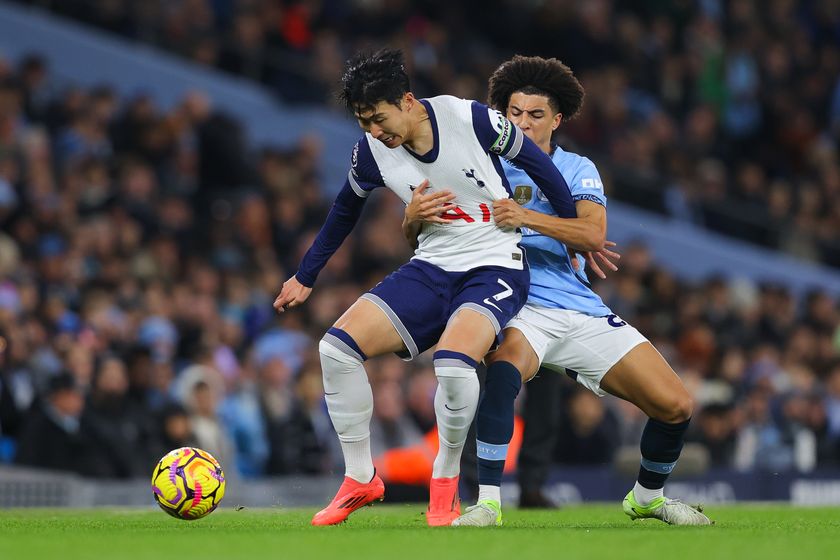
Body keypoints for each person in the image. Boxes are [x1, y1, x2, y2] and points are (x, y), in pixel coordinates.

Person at [273, 48, 577, 526]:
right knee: (335, 349)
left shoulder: (471, 119)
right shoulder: (370, 150)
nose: (374, 132)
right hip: (432, 265)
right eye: (363, 122)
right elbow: (343, 212)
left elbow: (539, 164)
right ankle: (359, 478)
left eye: (378, 118)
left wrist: (570, 231)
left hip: (495, 262)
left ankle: (445, 480)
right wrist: (304, 276)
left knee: (454, 365)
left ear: (409, 101)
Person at [406, 55, 711, 526]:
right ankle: (487, 502)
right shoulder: (478, 164)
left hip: (577, 305)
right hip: (516, 302)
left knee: (676, 405)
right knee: (504, 371)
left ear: (557, 119)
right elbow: (432, 234)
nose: (522, 123)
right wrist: (414, 220)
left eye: (535, 115)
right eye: (513, 113)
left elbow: (593, 234)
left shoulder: (575, 167)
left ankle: (647, 497)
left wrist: (524, 217)